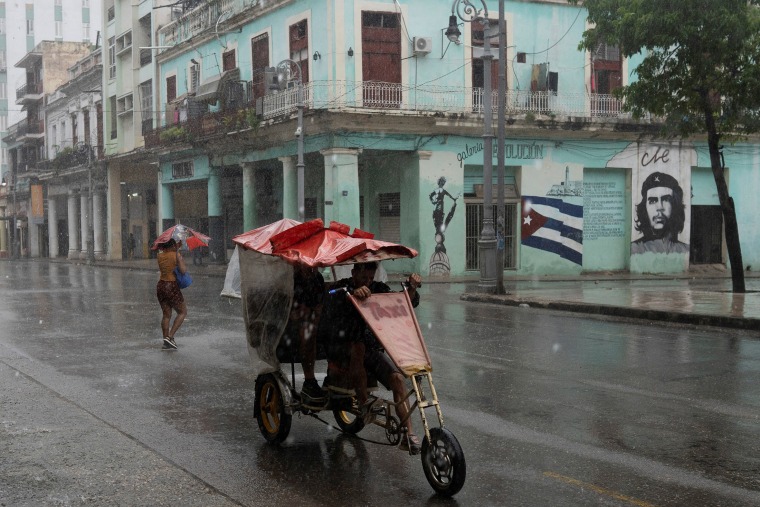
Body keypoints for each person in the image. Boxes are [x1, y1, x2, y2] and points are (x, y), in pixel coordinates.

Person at [323, 262, 423, 454]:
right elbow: (330, 299)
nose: (367, 282)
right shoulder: (340, 287)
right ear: (353, 273)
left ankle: (408, 434)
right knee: (358, 347)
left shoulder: (378, 288)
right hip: (343, 348)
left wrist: (411, 287)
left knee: (397, 379)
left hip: (369, 349)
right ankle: (363, 403)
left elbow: (400, 301)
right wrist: (351, 294)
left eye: (370, 277)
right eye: (363, 278)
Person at [289, 264, 326, 406]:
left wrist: (314, 317)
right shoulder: (291, 279)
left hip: (312, 320)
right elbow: (292, 311)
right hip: (292, 326)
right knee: (308, 331)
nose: (312, 269)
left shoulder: (317, 278)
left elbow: (319, 307)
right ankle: (309, 380)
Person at [631, 171, 689, 255]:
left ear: (675, 206)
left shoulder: (685, 251)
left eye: (666, 199)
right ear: (644, 207)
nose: (659, 207)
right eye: (652, 201)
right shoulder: (634, 250)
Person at [155, 238, 188, 350]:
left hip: (161, 285)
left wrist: (176, 249)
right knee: (182, 312)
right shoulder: (176, 255)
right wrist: (180, 259)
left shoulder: (160, 255)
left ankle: (166, 342)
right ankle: (170, 336)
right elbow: (183, 270)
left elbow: (169, 258)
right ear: (173, 245)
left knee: (166, 315)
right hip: (171, 286)